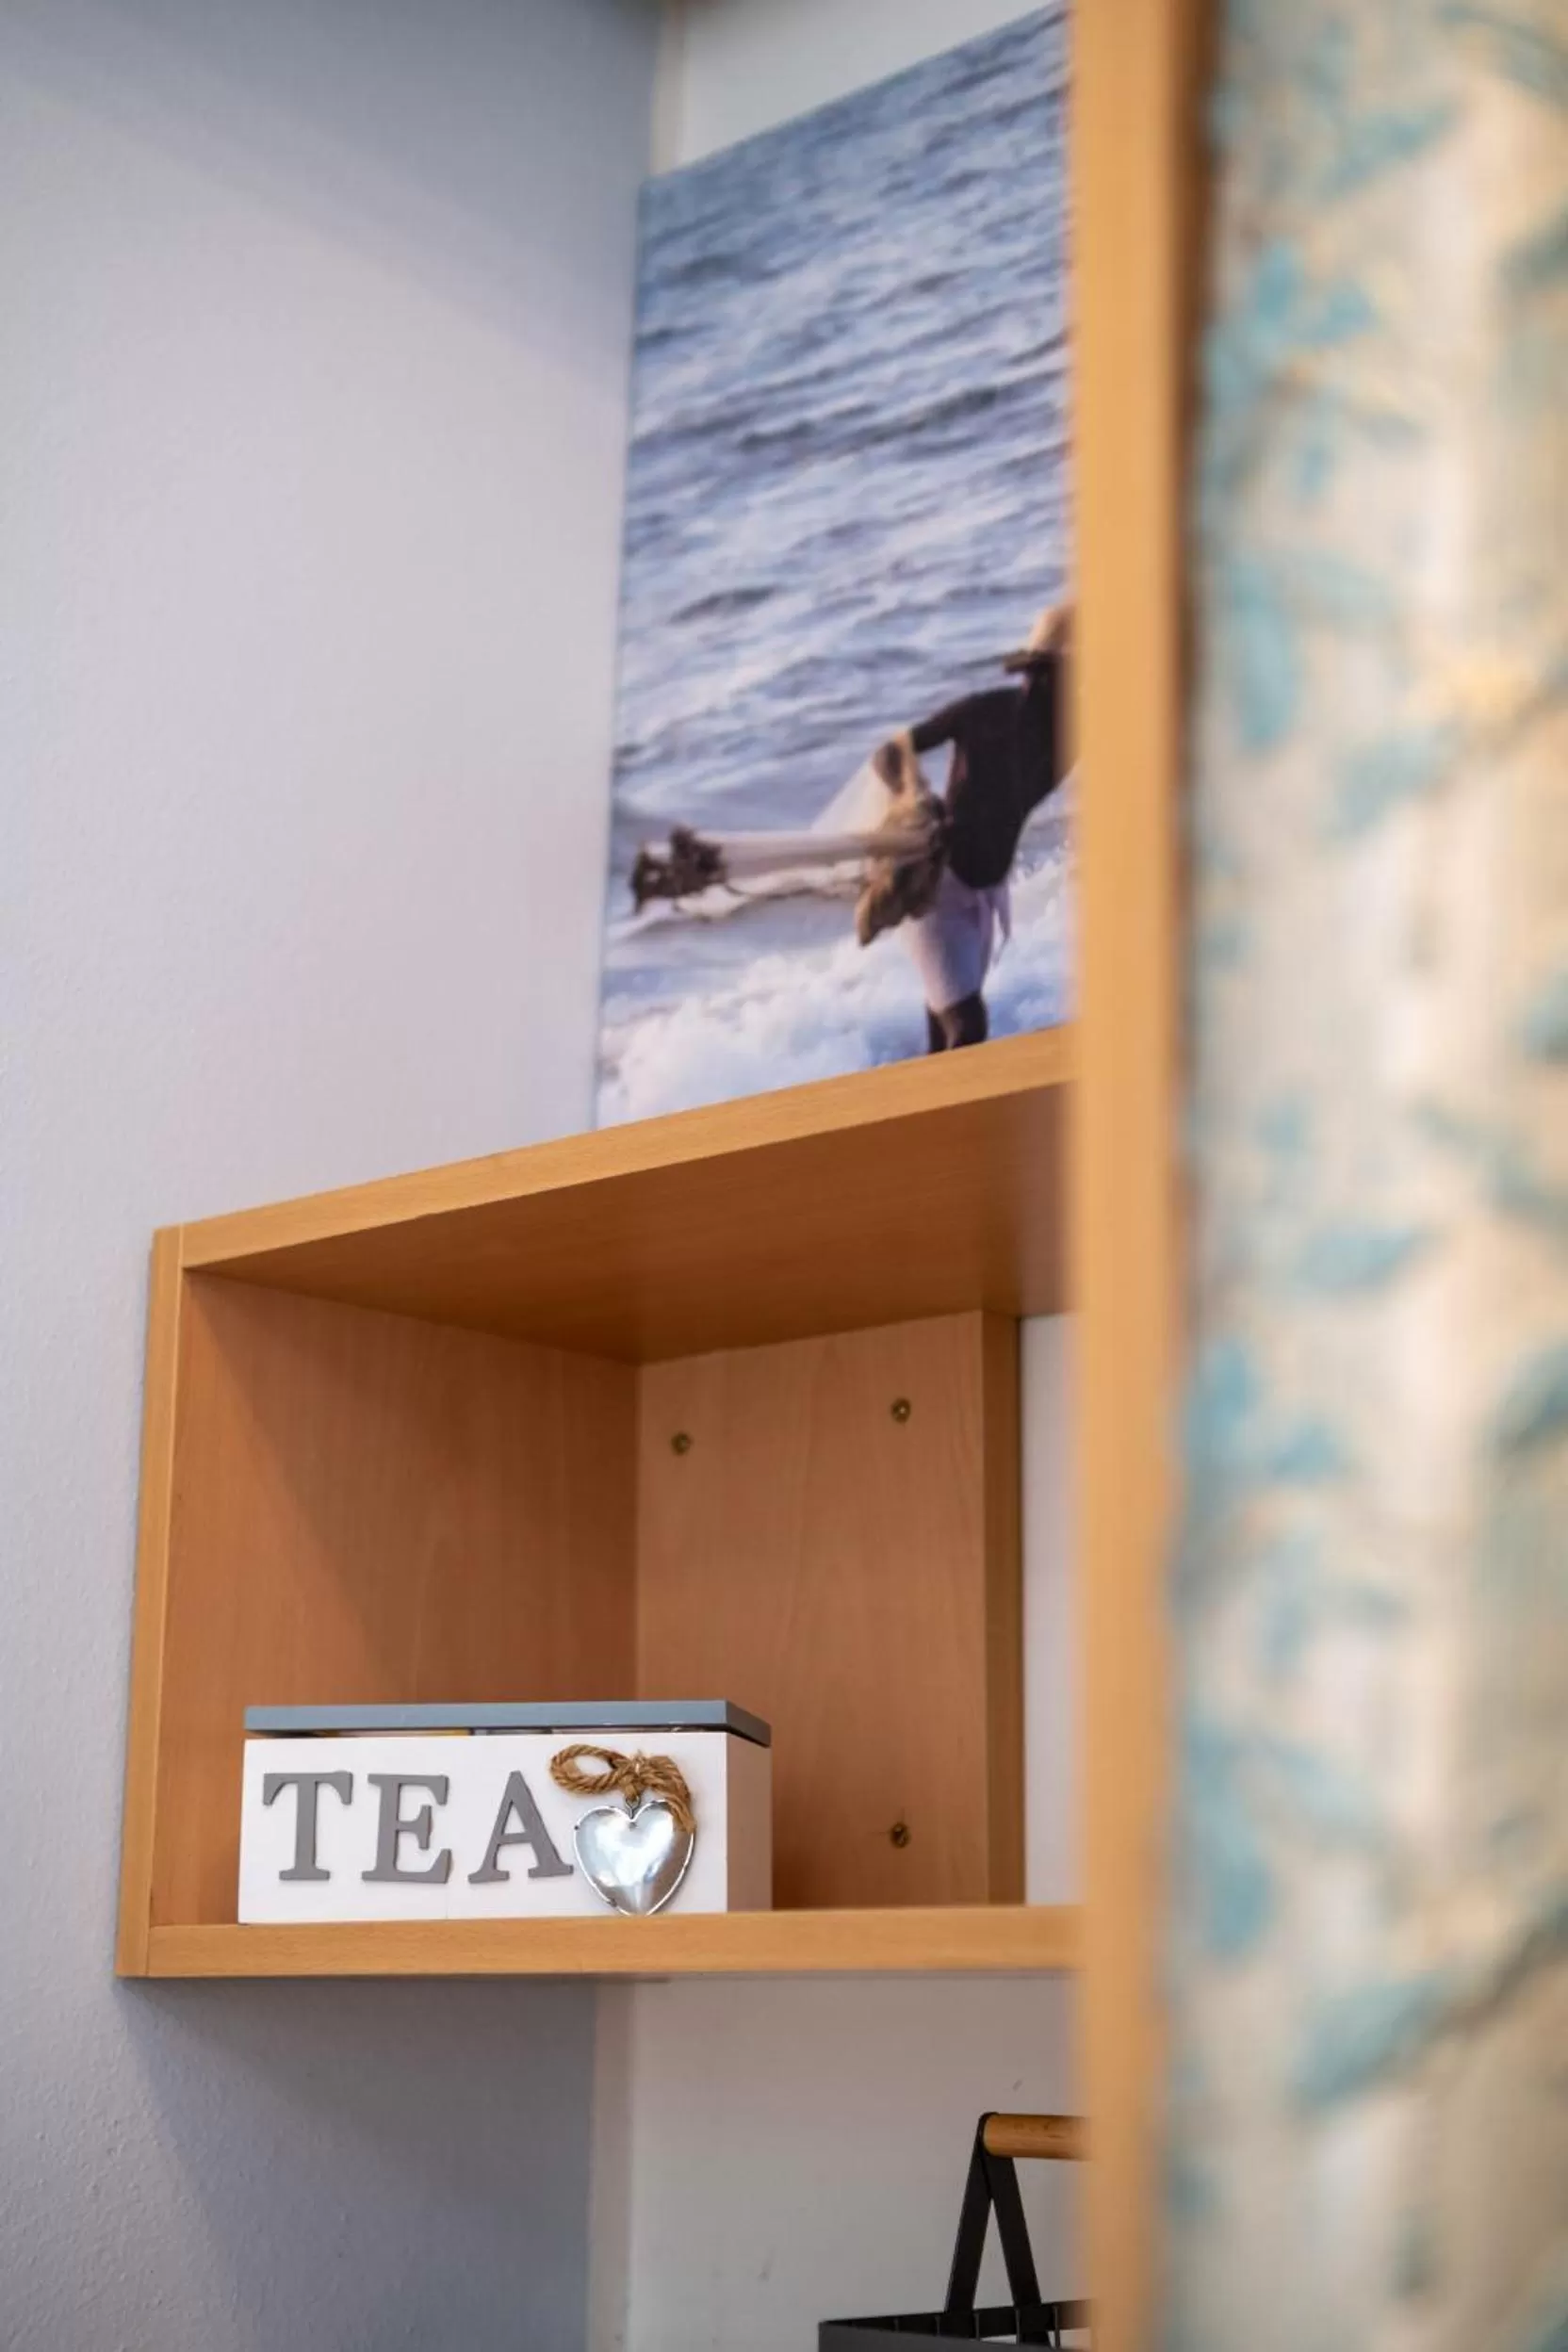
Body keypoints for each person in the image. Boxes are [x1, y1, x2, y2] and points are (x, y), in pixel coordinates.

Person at [862, 602, 1073, 1052]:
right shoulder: (984, 713)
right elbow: (890, 753)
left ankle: (924, 1116)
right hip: (940, 887)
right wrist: (916, 798)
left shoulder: (1068, 741)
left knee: (948, 1028)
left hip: (984, 896)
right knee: (968, 1025)